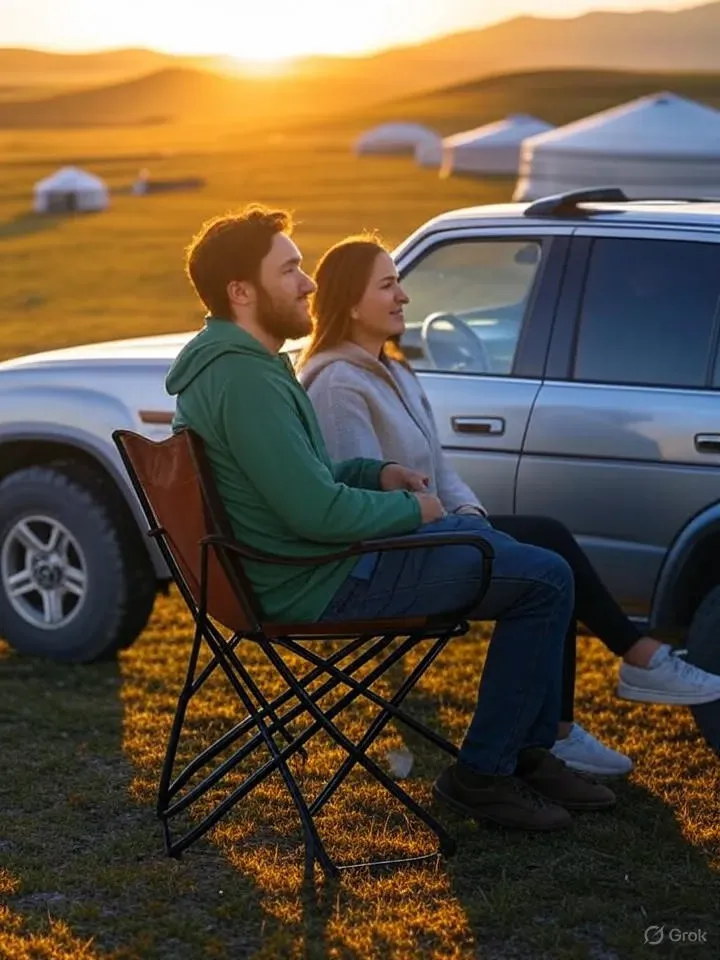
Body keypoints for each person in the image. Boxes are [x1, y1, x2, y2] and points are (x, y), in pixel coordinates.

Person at [165, 204, 617, 834]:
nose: (308, 283)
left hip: (300, 568)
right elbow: (314, 511)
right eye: (290, 269)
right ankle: (486, 774)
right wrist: (413, 508)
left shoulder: (244, 368)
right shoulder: (246, 381)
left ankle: (520, 757)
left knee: (539, 560)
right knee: (544, 577)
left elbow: (312, 478)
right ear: (241, 292)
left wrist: (375, 476)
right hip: (317, 579)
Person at [295, 234, 720, 776]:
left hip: (439, 532)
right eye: (388, 285)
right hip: (394, 557)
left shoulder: (395, 370)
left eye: (400, 282)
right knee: (546, 564)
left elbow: (441, 469)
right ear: (351, 304)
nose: (403, 296)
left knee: (548, 537)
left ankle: (574, 719)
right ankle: (626, 668)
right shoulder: (335, 383)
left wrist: (471, 519)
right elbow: (361, 493)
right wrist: (457, 528)